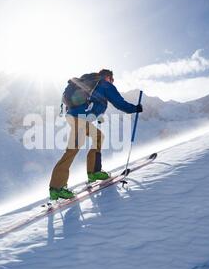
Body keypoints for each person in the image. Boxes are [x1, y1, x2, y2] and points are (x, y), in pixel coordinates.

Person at [49, 69, 143, 200]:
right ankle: (57, 187)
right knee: (72, 150)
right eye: (112, 79)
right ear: (108, 77)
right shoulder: (104, 84)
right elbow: (119, 103)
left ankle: (94, 172)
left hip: (75, 116)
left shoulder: (90, 83)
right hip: (79, 119)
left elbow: (90, 102)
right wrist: (135, 108)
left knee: (98, 136)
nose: (112, 82)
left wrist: (96, 115)